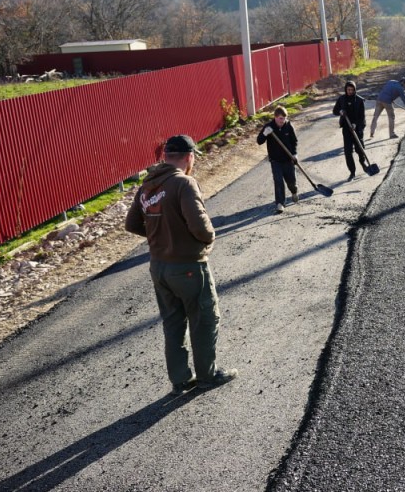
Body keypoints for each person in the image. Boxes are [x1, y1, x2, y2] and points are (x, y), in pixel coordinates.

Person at [125, 134, 237, 395]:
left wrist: (161, 236)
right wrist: (208, 239)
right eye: (193, 157)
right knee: (204, 318)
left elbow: (132, 224)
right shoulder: (183, 183)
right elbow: (200, 226)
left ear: (166, 157)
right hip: (188, 267)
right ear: (189, 157)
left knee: (173, 323)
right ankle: (207, 375)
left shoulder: (148, 185)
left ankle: (180, 379)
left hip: (159, 268)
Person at [256, 105, 299, 213]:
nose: (282, 121)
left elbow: (294, 141)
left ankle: (294, 191)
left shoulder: (288, 126)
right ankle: (280, 203)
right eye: (280, 118)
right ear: (275, 117)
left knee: (291, 182)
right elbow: (259, 141)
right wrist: (265, 134)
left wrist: (295, 154)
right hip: (275, 160)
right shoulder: (268, 127)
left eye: (284, 118)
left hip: (288, 159)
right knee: (278, 181)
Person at [333, 80, 366, 181]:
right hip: (347, 128)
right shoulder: (342, 99)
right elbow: (334, 111)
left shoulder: (359, 100)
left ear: (355, 90)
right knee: (348, 151)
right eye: (348, 90)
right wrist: (340, 111)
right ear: (345, 89)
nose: (350, 91)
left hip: (357, 128)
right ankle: (352, 172)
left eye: (352, 90)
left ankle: (363, 163)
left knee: (360, 149)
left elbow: (362, 117)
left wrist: (355, 124)